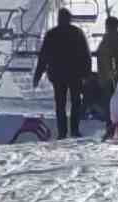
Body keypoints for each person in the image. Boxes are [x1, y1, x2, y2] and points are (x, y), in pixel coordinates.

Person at [33, 7, 92, 139]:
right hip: (75, 75)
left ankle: (62, 132)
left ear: (59, 19)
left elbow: (43, 57)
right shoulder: (77, 33)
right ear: (69, 19)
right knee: (76, 102)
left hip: (57, 75)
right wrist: (87, 74)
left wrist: (38, 75)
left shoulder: (52, 34)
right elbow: (86, 55)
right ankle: (75, 130)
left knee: (60, 104)